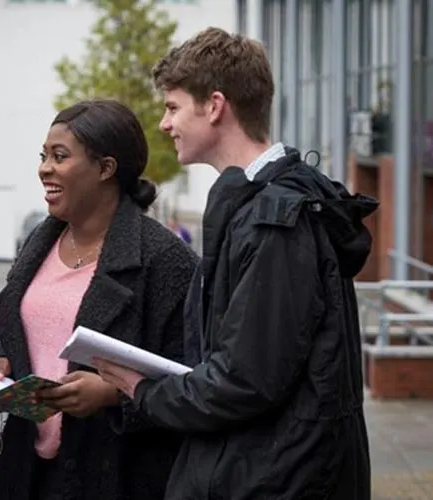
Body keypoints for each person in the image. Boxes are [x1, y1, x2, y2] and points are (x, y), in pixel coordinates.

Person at [94, 27, 375, 500]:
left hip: (276, 482)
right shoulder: (261, 206)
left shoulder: (274, 221)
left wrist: (142, 391)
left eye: (173, 106)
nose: (165, 123)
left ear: (215, 105)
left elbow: (245, 380)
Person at [0, 100, 198, 500]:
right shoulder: (38, 243)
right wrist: (2, 363)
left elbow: (193, 381)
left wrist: (113, 395)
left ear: (105, 168)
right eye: (44, 156)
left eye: (60, 156)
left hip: (116, 476)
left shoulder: (166, 260)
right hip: (26, 473)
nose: (44, 168)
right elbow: (32, 336)